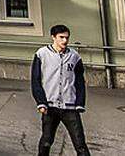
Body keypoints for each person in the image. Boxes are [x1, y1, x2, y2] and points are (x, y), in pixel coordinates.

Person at [32, 24, 91, 156]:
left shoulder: (74, 56)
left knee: (80, 144)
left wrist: (80, 103)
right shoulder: (42, 54)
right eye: (61, 37)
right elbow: (35, 80)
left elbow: (80, 81)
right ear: (53, 37)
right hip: (50, 106)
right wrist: (41, 102)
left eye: (67, 38)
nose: (64, 41)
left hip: (70, 107)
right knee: (46, 141)